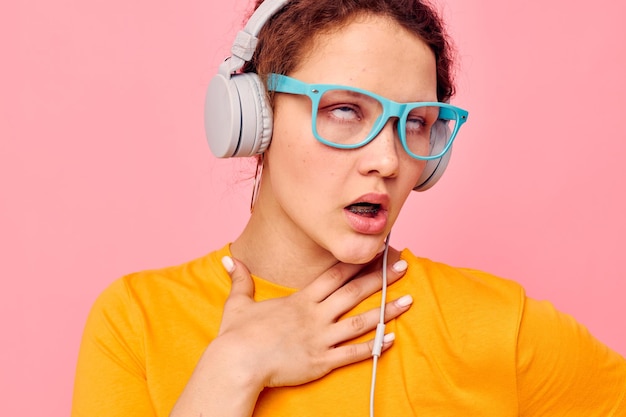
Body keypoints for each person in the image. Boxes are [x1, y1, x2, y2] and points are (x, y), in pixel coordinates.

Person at [71, 0, 626, 416]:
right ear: (253, 117)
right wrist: (232, 368)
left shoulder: (501, 328)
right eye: (342, 110)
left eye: (414, 123)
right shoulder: (134, 323)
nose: (386, 160)